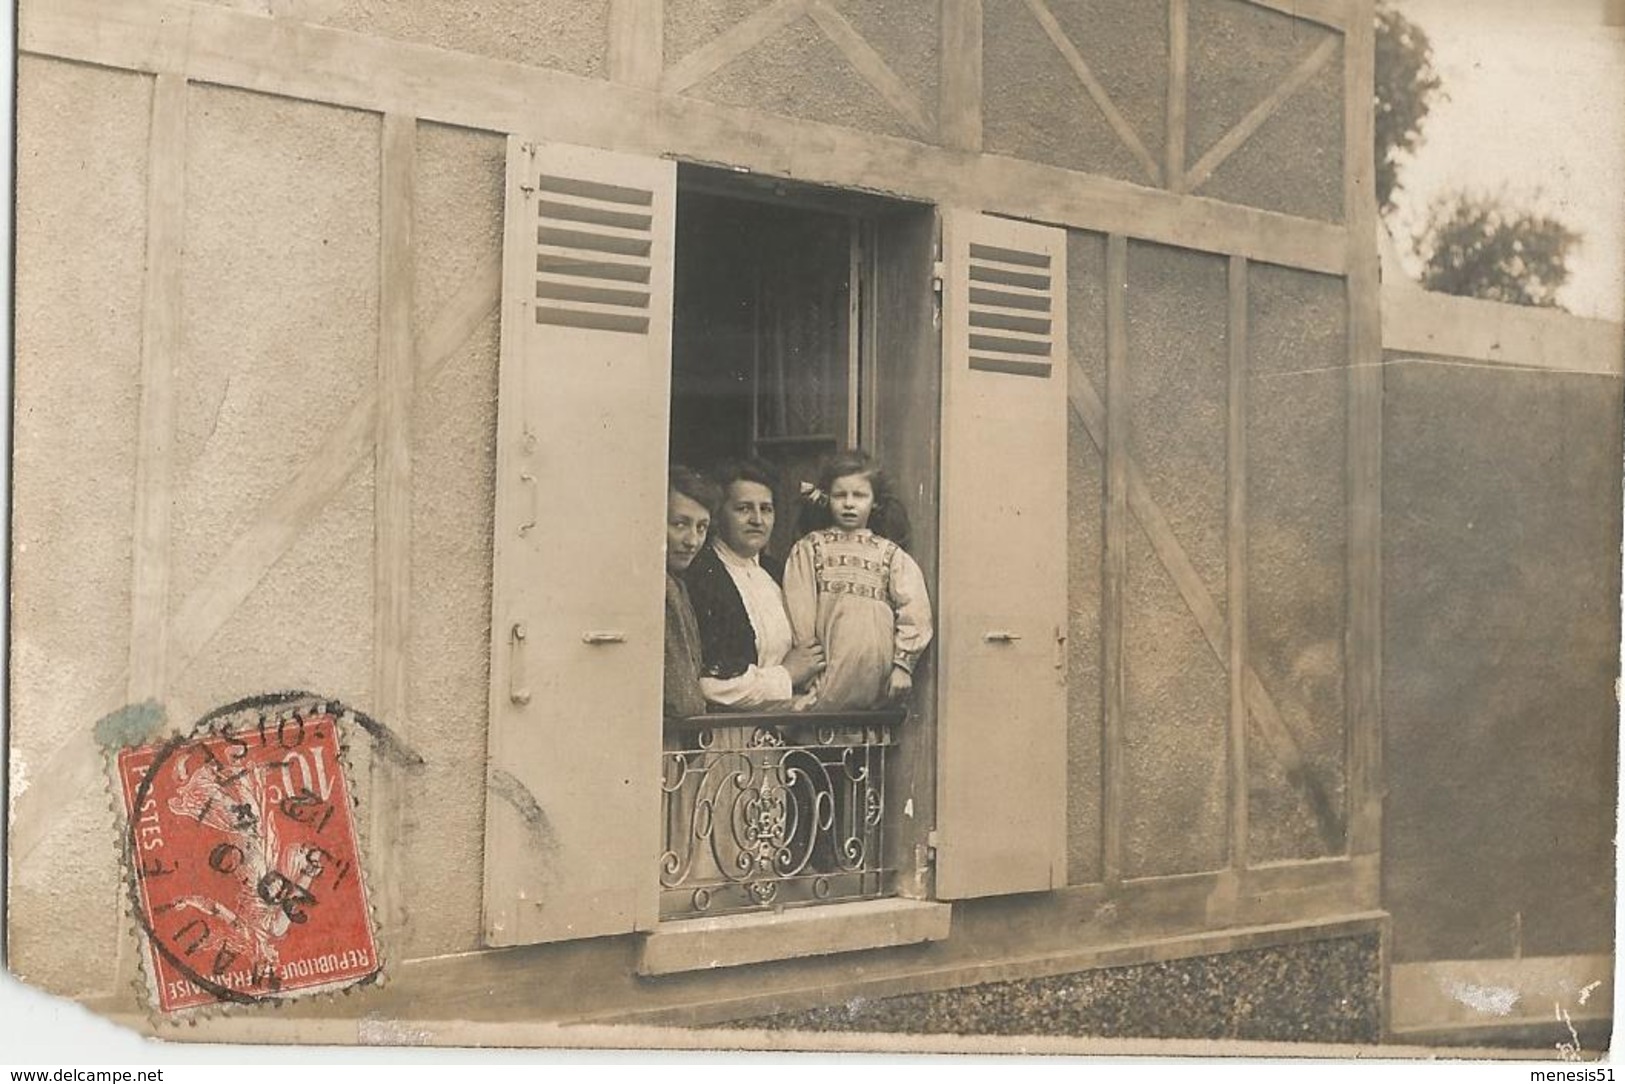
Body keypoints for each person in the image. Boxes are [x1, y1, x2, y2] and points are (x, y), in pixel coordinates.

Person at [784, 449, 933, 711]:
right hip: (823, 683)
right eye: (841, 495)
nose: (849, 503)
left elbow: (916, 611)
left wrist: (902, 665)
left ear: (874, 502)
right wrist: (810, 674)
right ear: (827, 498)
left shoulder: (890, 555)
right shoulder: (810, 549)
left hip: (877, 686)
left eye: (859, 495)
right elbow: (800, 616)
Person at [683, 461, 824, 711]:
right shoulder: (699, 575)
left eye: (766, 509)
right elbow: (710, 686)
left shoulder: (781, 573)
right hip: (723, 734)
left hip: (785, 733)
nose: (757, 519)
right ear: (718, 514)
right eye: (743, 508)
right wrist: (787, 675)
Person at [662, 466, 718, 720]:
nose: (692, 540)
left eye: (702, 527)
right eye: (680, 524)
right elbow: (683, 700)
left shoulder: (677, 583)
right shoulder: (665, 589)